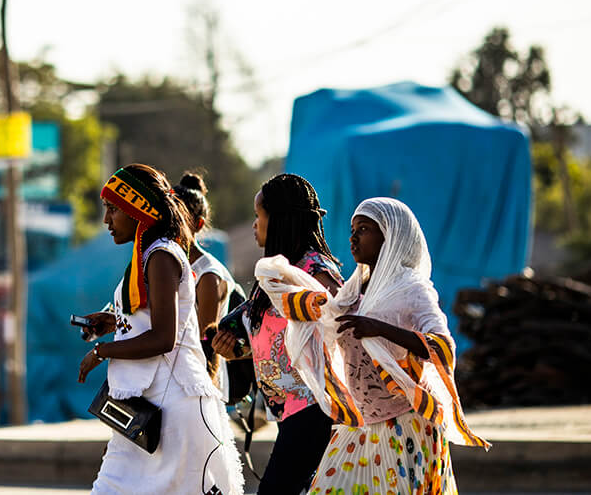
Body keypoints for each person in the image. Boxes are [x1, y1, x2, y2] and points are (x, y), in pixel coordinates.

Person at [255, 197, 490, 495]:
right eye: (353, 229)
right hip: (359, 426)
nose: (353, 237)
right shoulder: (353, 292)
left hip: (404, 427)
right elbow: (328, 319)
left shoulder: (411, 289)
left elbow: (443, 347)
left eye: (364, 229)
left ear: (391, 236)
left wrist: (380, 329)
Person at [78, 164, 244, 495]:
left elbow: (164, 337)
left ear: (138, 209)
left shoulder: (161, 255)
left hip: (176, 407)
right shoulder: (148, 255)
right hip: (146, 409)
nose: (106, 220)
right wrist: (113, 322)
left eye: (113, 209)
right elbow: (152, 317)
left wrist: (102, 351)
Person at [212, 173, 343, 495]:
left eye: (259, 216)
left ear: (280, 219)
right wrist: (236, 348)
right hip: (289, 410)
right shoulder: (274, 274)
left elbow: (337, 325)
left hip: (315, 408)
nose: (254, 224)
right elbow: (273, 338)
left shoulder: (315, 272)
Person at [172, 172, 240, 394]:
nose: (171, 224)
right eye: (168, 214)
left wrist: (202, 395)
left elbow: (204, 345)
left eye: (179, 218)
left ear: (198, 224)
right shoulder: (166, 263)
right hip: (174, 377)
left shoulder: (207, 275)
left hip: (197, 383)